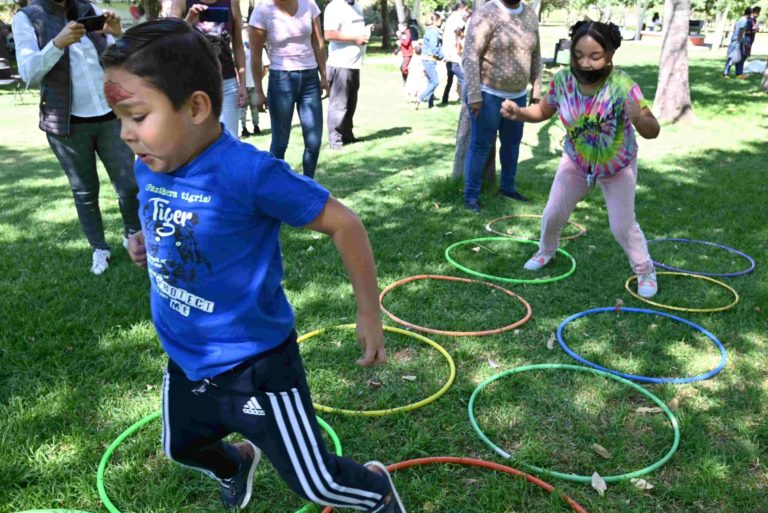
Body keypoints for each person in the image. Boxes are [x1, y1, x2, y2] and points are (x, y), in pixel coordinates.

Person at [103, 18, 406, 513]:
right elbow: (164, 222)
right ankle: (237, 463)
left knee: (317, 484)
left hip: (257, 367)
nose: (125, 134)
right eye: (118, 118)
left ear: (196, 107)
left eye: (136, 116)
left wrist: (369, 313)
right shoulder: (150, 163)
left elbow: (345, 223)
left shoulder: (249, 174)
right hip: (186, 357)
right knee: (181, 448)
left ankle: (376, 492)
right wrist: (144, 243)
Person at [501, 21, 660, 298]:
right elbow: (543, 111)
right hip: (576, 162)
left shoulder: (622, 85)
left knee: (622, 225)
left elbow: (652, 130)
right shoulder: (563, 81)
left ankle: (645, 270)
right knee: (553, 213)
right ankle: (546, 251)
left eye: (595, 56)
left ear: (609, 55)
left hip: (617, 166)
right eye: (578, 55)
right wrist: (520, 113)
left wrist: (638, 117)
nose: (585, 63)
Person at [12, 0, 141, 275]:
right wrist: (57, 43)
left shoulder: (89, 7)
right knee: (84, 191)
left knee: (129, 185)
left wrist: (117, 35)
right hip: (66, 123)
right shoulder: (27, 18)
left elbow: (121, 61)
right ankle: (99, 248)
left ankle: (133, 235)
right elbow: (28, 73)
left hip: (110, 114)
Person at [462, 0, 541, 211]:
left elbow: (536, 55)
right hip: (488, 95)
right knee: (481, 146)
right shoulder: (486, 13)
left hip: (518, 96)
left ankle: (507, 188)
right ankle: (471, 197)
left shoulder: (530, 14)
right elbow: (470, 56)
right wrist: (474, 95)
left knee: (512, 145)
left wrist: (536, 90)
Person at [249, 0, 328, 178]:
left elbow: (318, 42)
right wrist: (259, 91)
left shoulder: (309, 5)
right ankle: (275, 186)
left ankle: (307, 184)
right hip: (281, 80)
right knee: (280, 143)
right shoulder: (263, 10)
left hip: (310, 78)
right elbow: (255, 56)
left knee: (314, 142)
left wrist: (323, 75)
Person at [170, 0, 248, 138]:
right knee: (198, 141)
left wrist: (242, 84)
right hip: (193, 86)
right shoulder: (181, 2)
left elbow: (238, 44)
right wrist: (188, 22)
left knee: (230, 139)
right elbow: (168, 42)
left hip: (227, 83)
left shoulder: (232, 2)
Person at [324, 0, 372, 150]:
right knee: (339, 105)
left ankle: (347, 135)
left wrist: (366, 30)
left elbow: (352, 29)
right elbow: (329, 34)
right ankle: (335, 141)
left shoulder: (356, 6)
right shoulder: (335, 7)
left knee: (351, 104)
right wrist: (355, 38)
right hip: (340, 64)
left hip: (354, 64)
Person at [441, 0, 468, 104]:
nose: (465, 12)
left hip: (448, 53)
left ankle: (445, 99)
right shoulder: (456, 18)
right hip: (453, 54)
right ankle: (465, 100)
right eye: (465, 9)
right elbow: (458, 32)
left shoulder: (450, 18)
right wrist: (459, 47)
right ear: (461, 8)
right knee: (463, 79)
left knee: (450, 79)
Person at [239, 35, 266, 138]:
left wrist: (259, 78)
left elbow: (265, 66)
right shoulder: (242, 52)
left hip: (252, 85)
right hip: (244, 85)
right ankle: (244, 128)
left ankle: (256, 126)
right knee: (243, 108)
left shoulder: (258, 52)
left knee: (253, 107)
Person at [417, 12, 444, 110]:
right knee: (435, 82)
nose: (441, 22)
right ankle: (419, 98)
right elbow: (434, 48)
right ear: (436, 21)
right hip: (429, 59)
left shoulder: (429, 30)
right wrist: (443, 57)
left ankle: (430, 104)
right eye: (440, 20)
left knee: (430, 82)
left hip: (427, 59)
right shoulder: (433, 31)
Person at [723, 8, 752, 79]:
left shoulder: (740, 19)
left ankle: (739, 74)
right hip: (737, 40)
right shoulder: (744, 20)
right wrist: (739, 42)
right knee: (732, 57)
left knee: (740, 57)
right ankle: (725, 74)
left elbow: (735, 27)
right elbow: (741, 31)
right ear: (750, 14)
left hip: (738, 39)